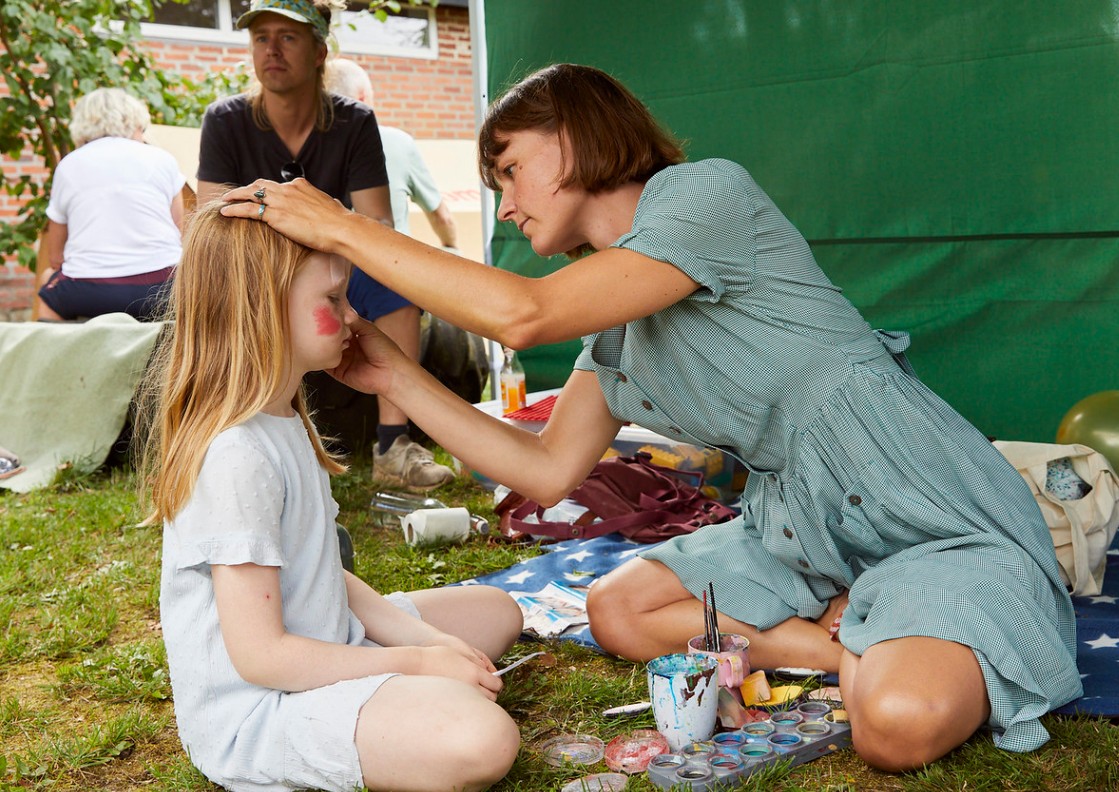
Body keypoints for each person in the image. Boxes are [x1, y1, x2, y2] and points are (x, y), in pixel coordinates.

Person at [219, 63, 1082, 772]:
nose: (508, 205)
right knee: (616, 608)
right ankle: (842, 642)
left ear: (575, 137)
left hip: (922, 510)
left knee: (892, 726)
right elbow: (546, 470)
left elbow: (524, 315)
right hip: (803, 531)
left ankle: (879, 641)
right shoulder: (614, 335)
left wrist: (341, 227)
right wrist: (399, 381)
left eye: (510, 169)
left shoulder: (706, 198)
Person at [137, 201, 521, 792]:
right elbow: (262, 657)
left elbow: (325, 575)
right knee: (482, 738)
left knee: (497, 611)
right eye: (334, 300)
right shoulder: (236, 456)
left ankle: (406, 692)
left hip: (324, 639)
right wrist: (417, 661)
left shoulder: (282, 417)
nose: (354, 315)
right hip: (262, 710)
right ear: (264, 307)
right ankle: (404, 702)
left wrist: (435, 643)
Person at [196, 0, 454, 490]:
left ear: (319, 52)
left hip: (337, 266)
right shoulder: (225, 121)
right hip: (256, 268)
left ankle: (391, 445)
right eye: (260, 38)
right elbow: (211, 226)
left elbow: (376, 222)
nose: (271, 49)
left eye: (288, 37)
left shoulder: (354, 121)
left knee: (394, 279)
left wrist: (327, 236)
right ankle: (228, 435)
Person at [38, 87, 184, 321]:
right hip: (163, 287)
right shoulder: (162, 159)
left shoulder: (69, 165)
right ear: (135, 123)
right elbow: (181, 232)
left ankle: (52, 355)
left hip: (90, 292)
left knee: (48, 289)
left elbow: (56, 256)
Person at [323, 57, 460, 253]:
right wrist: (452, 248)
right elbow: (441, 217)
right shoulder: (398, 142)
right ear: (362, 100)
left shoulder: (308, 149)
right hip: (391, 268)